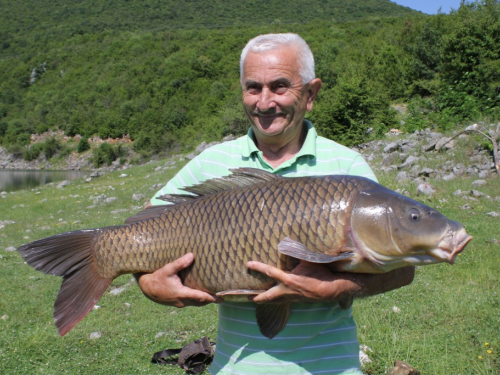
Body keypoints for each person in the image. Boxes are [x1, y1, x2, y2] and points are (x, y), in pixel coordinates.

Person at [135, 33, 415, 374]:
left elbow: (403, 269)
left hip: (331, 368)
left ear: (311, 94)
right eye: (254, 88)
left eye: (280, 86)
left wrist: (338, 288)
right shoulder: (212, 162)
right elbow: (141, 229)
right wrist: (148, 284)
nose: (264, 102)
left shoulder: (348, 169)